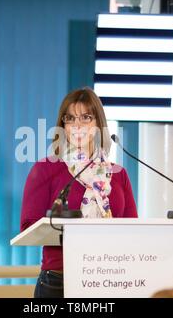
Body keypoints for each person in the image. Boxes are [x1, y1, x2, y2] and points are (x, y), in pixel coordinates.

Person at [20, 87, 138, 298]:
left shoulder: (119, 174)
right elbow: (28, 225)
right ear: (63, 126)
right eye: (70, 118)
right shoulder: (47, 168)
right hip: (59, 281)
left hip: (110, 278)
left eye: (86, 117)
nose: (77, 125)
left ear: (98, 124)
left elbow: (132, 229)